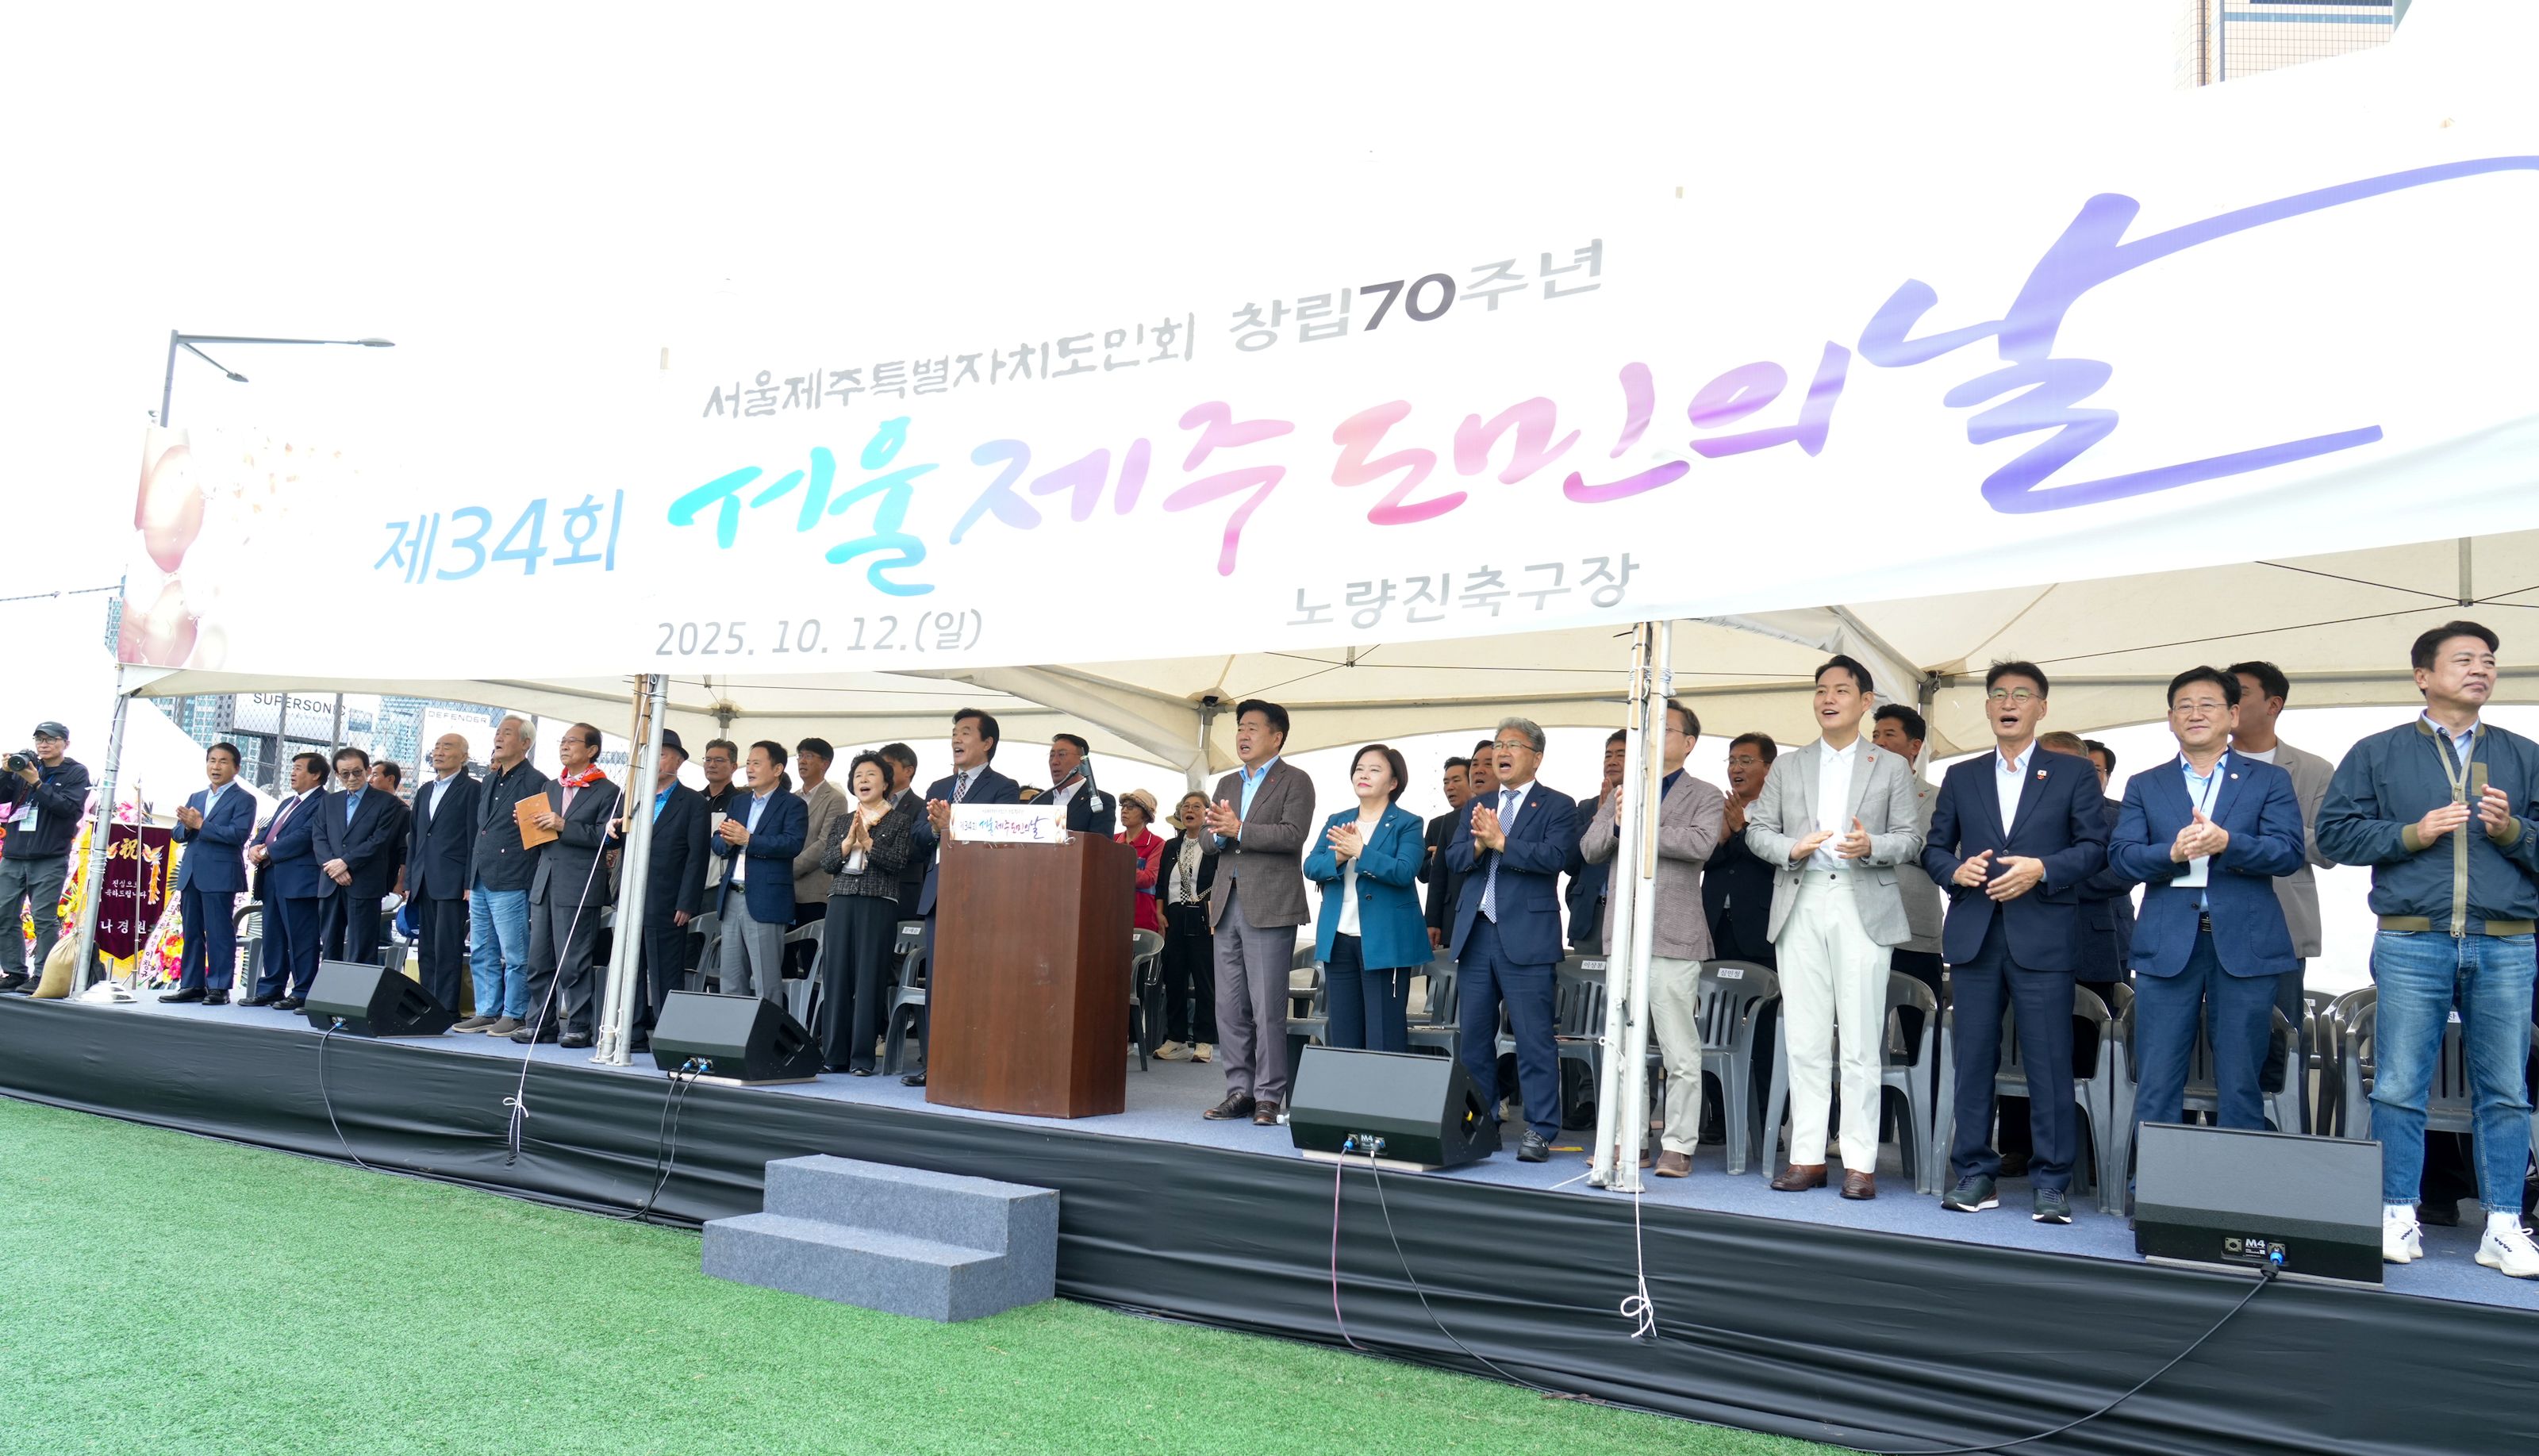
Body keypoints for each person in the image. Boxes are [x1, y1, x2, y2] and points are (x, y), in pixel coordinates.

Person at [2318, 620, 2539, 1278]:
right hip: (2412, 936)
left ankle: (2504, 1224)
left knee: (2506, 1089)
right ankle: (2395, 1213)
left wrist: (2513, 830)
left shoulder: (2524, 754)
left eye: (2489, 660)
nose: (2481, 668)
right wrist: (2412, 833)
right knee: (2398, 1084)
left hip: (2506, 941)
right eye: (2465, 658)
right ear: (2423, 675)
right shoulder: (2378, 752)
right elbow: (2334, 835)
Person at [1924, 662, 2107, 1224]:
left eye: (2022, 694)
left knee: (2049, 1061)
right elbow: (1935, 848)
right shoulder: (1962, 776)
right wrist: (1954, 872)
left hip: (2043, 934)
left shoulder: (2072, 772)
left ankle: (2051, 1182)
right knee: (1973, 1058)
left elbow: (2094, 847)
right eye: (1999, 694)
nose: (2009, 702)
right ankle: (1975, 1173)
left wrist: (2042, 869)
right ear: (1987, 707)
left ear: (2041, 708)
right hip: (1976, 934)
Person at [1744, 657, 1927, 1200]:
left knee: (1862, 1037)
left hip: (1860, 897)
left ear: (1865, 701)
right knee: (1803, 1036)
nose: (1829, 698)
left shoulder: (1889, 766)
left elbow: (1910, 839)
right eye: (1822, 690)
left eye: (1842, 690)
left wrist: (1872, 845)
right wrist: (1790, 847)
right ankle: (1806, 1156)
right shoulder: (1789, 765)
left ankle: (1859, 1162)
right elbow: (1757, 830)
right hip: (1800, 897)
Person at [2108, 667, 2305, 1144]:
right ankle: (2153, 1181)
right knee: (2157, 1077)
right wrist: (2171, 854)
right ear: (2170, 718)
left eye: (2208, 705)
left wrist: (2228, 843)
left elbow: (2288, 852)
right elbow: (2122, 858)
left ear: (2233, 715)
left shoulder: (2269, 779)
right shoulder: (2146, 784)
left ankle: (2233, 1184)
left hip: (2245, 943)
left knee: (2241, 1080)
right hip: (2166, 943)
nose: (2195, 714)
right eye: (2185, 706)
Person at [1579, 700, 1724, 1177]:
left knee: (1680, 1048)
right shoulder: (1624, 790)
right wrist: (1620, 822)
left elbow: (1700, 844)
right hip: (1622, 934)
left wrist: (1640, 827)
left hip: (1673, 936)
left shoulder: (1706, 793)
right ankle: (1629, 1139)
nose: (1654, 737)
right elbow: (1590, 847)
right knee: (1624, 1045)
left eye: (1667, 729)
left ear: (1690, 743)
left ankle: (1679, 1143)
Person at [1447, 716, 1578, 1162]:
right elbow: (1454, 858)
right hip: (1476, 933)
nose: (1502, 752)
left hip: (1527, 936)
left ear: (1536, 757)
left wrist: (1501, 842)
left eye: (1513, 745)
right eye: (1498, 744)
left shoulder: (1558, 805)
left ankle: (1540, 1129)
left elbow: (1556, 857)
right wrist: (1480, 845)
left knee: (1533, 1038)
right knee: (1474, 1039)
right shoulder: (1479, 804)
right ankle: (1481, 1122)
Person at [2227, 659, 2339, 1134]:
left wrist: (2262, 832)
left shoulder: (2312, 769)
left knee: (2279, 1041)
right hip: (2205, 922)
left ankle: (2273, 1146)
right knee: (2202, 1040)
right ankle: (2197, 1145)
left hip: (2282, 926)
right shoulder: (2198, 764)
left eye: (2239, 692)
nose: (2227, 701)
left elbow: (2331, 847)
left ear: (2274, 704)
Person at [1202, 698, 1316, 1125]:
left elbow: (1292, 835)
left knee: (1267, 1006)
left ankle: (1269, 1095)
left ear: (1276, 736)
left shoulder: (1295, 780)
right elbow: (1208, 842)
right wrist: (1219, 834)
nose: (1243, 735)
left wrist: (1239, 829)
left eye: (1252, 728)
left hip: (1270, 904)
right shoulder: (1227, 783)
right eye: (1239, 728)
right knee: (1229, 1006)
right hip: (1226, 902)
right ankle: (1239, 1091)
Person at [900, 707, 1025, 1085]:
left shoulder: (1004, 787)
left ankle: (976, 1063)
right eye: (955, 731)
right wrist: (935, 828)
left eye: (966, 732)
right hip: (940, 892)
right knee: (939, 981)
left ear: (987, 743)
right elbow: (915, 840)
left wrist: (951, 823)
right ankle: (936, 1063)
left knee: (977, 979)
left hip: (982, 894)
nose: (956, 738)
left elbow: (1002, 835)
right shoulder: (938, 787)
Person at [1302, 744, 1427, 1053]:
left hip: (1385, 940)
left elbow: (1405, 871)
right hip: (1338, 938)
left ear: (1394, 782)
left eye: (1374, 769)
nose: (1364, 774)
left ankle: (1385, 1087)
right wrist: (1339, 858)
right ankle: (1348, 1087)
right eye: (1359, 768)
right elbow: (1311, 866)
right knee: (1344, 1032)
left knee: (1384, 1035)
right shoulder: (1338, 819)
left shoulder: (1408, 823)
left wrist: (1361, 851)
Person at [518, 722, 622, 1047]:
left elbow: (609, 837)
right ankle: (540, 1023)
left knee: (574, 960)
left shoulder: (608, 791)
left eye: (572, 741)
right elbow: (541, 838)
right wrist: (527, 825)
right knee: (539, 959)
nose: (564, 746)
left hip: (580, 883)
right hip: (545, 881)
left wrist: (564, 825)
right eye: (562, 741)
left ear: (591, 750)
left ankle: (579, 1024)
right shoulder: (550, 787)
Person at [816, 751, 919, 1074]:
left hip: (878, 903)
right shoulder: (843, 821)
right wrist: (847, 844)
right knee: (837, 978)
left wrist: (869, 843)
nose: (863, 780)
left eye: (871, 775)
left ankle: (861, 1057)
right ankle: (834, 1055)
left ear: (886, 783)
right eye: (858, 775)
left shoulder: (899, 820)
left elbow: (898, 862)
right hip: (841, 901)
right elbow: (827, 863)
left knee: (870, 978)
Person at [617, 729, 710, 1051]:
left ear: (679, 761)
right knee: (630, 966)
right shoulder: (634, 797)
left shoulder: (693, 802)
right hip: (632, 896)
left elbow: (697, 856)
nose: (654, 761)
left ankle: (670, 1035)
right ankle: (632, 1032)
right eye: (650, 754)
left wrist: (687, 901)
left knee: (665, 969)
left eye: (661, 754)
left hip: (668, 899)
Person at [465, 716, 550, 1035]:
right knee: (481, 948)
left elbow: (539, 837)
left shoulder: (536, 781)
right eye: (498, 732)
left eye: (507, 733)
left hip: (513, 876)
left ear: (526, 743)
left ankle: (515, 1013)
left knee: (514, 951)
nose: (498, 738)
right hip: (481, 876)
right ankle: (487, 1010)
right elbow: (482, 830)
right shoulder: (488, 780)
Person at [715, 740, 809, 1006]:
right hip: (731, 896)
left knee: (766, 982)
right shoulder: (739, 802)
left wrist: (749, 839)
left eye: (757, 763)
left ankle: (766, 1034)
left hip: (766, 900)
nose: (749, 769)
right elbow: (717, 843)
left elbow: (792, 844)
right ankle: (734, 1033)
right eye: (748, 763)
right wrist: (728, 841)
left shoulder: (793, 804)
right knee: (730, 979)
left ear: (777, 769)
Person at [161, 742, 255, 1005]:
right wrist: (187, 826)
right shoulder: (196, 797)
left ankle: (219, 987)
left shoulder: (244, 799)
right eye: (212, 760)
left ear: (236, 768)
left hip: (220, 874)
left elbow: (238, 835)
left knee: (219, 932)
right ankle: (192, 984)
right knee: (191, 931)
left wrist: (201, 824)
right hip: (192, 873)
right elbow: (178, 834)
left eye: (223, 761)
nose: (216, 766)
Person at [0, 721, 90, 993]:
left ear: (65, 743)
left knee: (43, 917)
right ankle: (15, 972)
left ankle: (44, 975)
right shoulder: (25, 767)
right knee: (4, 913)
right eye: (39, 739)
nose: (44, 744)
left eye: (51, 739)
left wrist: (36, 783)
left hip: (49, 856)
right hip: (14, 855)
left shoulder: (75, 772)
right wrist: (5, 773)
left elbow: (68, 808)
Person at [1869, 706, 1944, 1008]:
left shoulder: (1940, 797)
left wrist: (1898, 843)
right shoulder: (1854, 796)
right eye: (1875, 735)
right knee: (1860, 1024)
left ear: (1915, 746)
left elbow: (1953, 856)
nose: (1879, 742)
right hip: (1863, 928)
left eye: (1889, 734)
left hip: (1916, 933)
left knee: (1919, 1024)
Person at [243, 752, 330, 1010]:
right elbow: (269, 830)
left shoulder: (324, 802)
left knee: (301, 938)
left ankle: (302, 991)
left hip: (299, 881)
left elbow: (306, 835)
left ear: (316, 774)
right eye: (293, 768)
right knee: (273, 935)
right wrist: (256, 845)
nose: (292, 773)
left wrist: (268, 851)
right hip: (271, 877)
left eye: (299, 768)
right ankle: (271, 988)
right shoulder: (287, 803)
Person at [409, 734, 482, 1019]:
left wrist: (468, 881)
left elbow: (474, 838)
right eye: (437, 747)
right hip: (424, 878)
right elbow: (416, 837)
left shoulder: (472, 789)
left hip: (453, 879)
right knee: (426, 947)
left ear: (464, 756)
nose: (439, 752)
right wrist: (410, 879)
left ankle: (447, 1008)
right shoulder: (425, 790)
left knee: (447, 946)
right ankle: (426, 1004)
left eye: (447, 747)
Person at [313, 746, 404, 966]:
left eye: (357, 772)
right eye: (345, 774)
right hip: (331, 883)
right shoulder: (329, 801)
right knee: (330, 945)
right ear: (337, 775)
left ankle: (357, 989)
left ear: (368, 770)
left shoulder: (387, 802)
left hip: (364, 883)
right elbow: (319, 837)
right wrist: (334, 868)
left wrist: (346, 863)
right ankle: (330, 987)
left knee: (362, 948)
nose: (352, 778)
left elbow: (379, 840)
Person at [1151, 790, 1219, 1062]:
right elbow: (1161, 883)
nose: (1189, 810)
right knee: (1174, 977)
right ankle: (1176, 1038)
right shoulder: (1171, 846)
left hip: (1202, 914)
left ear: (1207, 813)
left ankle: (1204, 1041)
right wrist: (1159, 912)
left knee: (1204, 980)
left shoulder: (1215, 845)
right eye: (1186, 806)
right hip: (1174, 915)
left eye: (1196, 807)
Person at [1703, 733, 1780, 968]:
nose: (1736, 768)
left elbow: (1779, 862)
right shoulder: (1714, 807)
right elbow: (1698, 861)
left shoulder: (1782, 811)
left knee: (1759, 989)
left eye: (1746, 761)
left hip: (1759, 929)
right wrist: (1721, 840)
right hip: (1713, 925)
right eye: (1731, 761)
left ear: (1769, 768)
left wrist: (1741, 830)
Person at [1564, 731, 1626, 954]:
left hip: (1629, 914)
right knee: (1586, 974)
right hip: (1590, 915)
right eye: (1608, 755)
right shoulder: (1586, 807)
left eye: (1621, 755)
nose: (1612, 761)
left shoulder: (1649, 807)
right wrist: (1598, 817)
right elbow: (1569, 862)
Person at [1419, 757, 1472, 954]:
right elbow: (1422, 874)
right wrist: (1436, 860)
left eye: (1456, 780)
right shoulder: (1437, 824)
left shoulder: (1488, 817)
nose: (1450, 787)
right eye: (1446, 782)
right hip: (1448, 917)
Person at [880, 741, 926, 919]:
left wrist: (876, 845)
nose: (883, 771)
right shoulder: (871, 804)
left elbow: (918, 848)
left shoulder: (922, 806)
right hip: (871, 891)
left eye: (889, 766)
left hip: (903, 891)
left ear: (908, 771)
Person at [1043, 733, 1117, 836]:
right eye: (1051, 756)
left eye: (1062, 755)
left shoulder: (1100, 801)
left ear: (1082, 760)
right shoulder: (1038, 800)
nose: (1054, 761)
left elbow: (1100, 844)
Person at [1117, 789, 1166, 936]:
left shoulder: (1157, 843)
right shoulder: (1112, 840)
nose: (1124, 810)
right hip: (1113, 915)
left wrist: (1116, 868)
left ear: (1145, 815)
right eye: (1123, 806)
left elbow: (1148, 879)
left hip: (1143, 918)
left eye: (1131, 807)